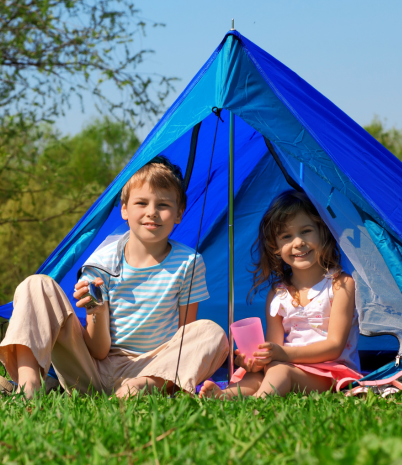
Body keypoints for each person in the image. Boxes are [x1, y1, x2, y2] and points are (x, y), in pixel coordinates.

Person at [0, 156, 228, 399]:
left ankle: (139, 388)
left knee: (211, 333)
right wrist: (95, 312)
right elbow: (99, 350)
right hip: (95, 370)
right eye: (141, 203)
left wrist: (163, 373)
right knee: (36, 284)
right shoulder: (102, 263)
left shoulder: (189, 263)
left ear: (179, 213)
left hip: (153, 370)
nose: (152, 212)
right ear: (124, 210)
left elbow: (184, 337)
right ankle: (28, 385)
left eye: (163, 205)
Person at [199, 190, 361, 399]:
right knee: (258, 373)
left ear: (324, 233)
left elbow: (334, 346)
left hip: (330, 372)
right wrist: (256, 359)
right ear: (276, 248)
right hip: (286, 364)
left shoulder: (341, 284)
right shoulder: (278, 294)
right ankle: (226, 395)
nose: (298, 243)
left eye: (306, 231)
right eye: (287, 236)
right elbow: (273, 345)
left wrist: (281, 354)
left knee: (279, 370)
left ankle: (258, 403)